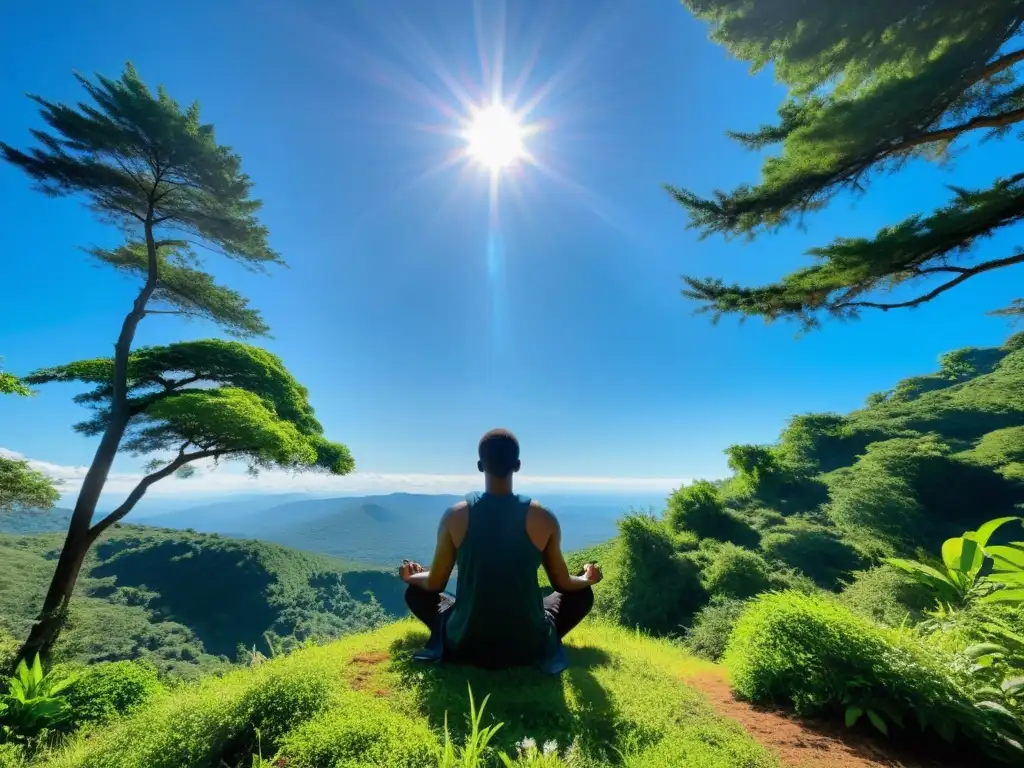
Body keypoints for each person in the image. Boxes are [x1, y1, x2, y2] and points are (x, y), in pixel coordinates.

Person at [399, 428, 603, 672]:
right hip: (528, 643)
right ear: (517, 465)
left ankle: (463, 641)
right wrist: (587, 578)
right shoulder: (544, 517)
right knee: (581, 594)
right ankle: (533, 643)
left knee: (416, 592)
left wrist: (411, 576)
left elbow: (434, 584)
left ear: (479, 465)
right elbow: (563, 584)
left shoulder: (454, 516)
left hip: (466, 642)